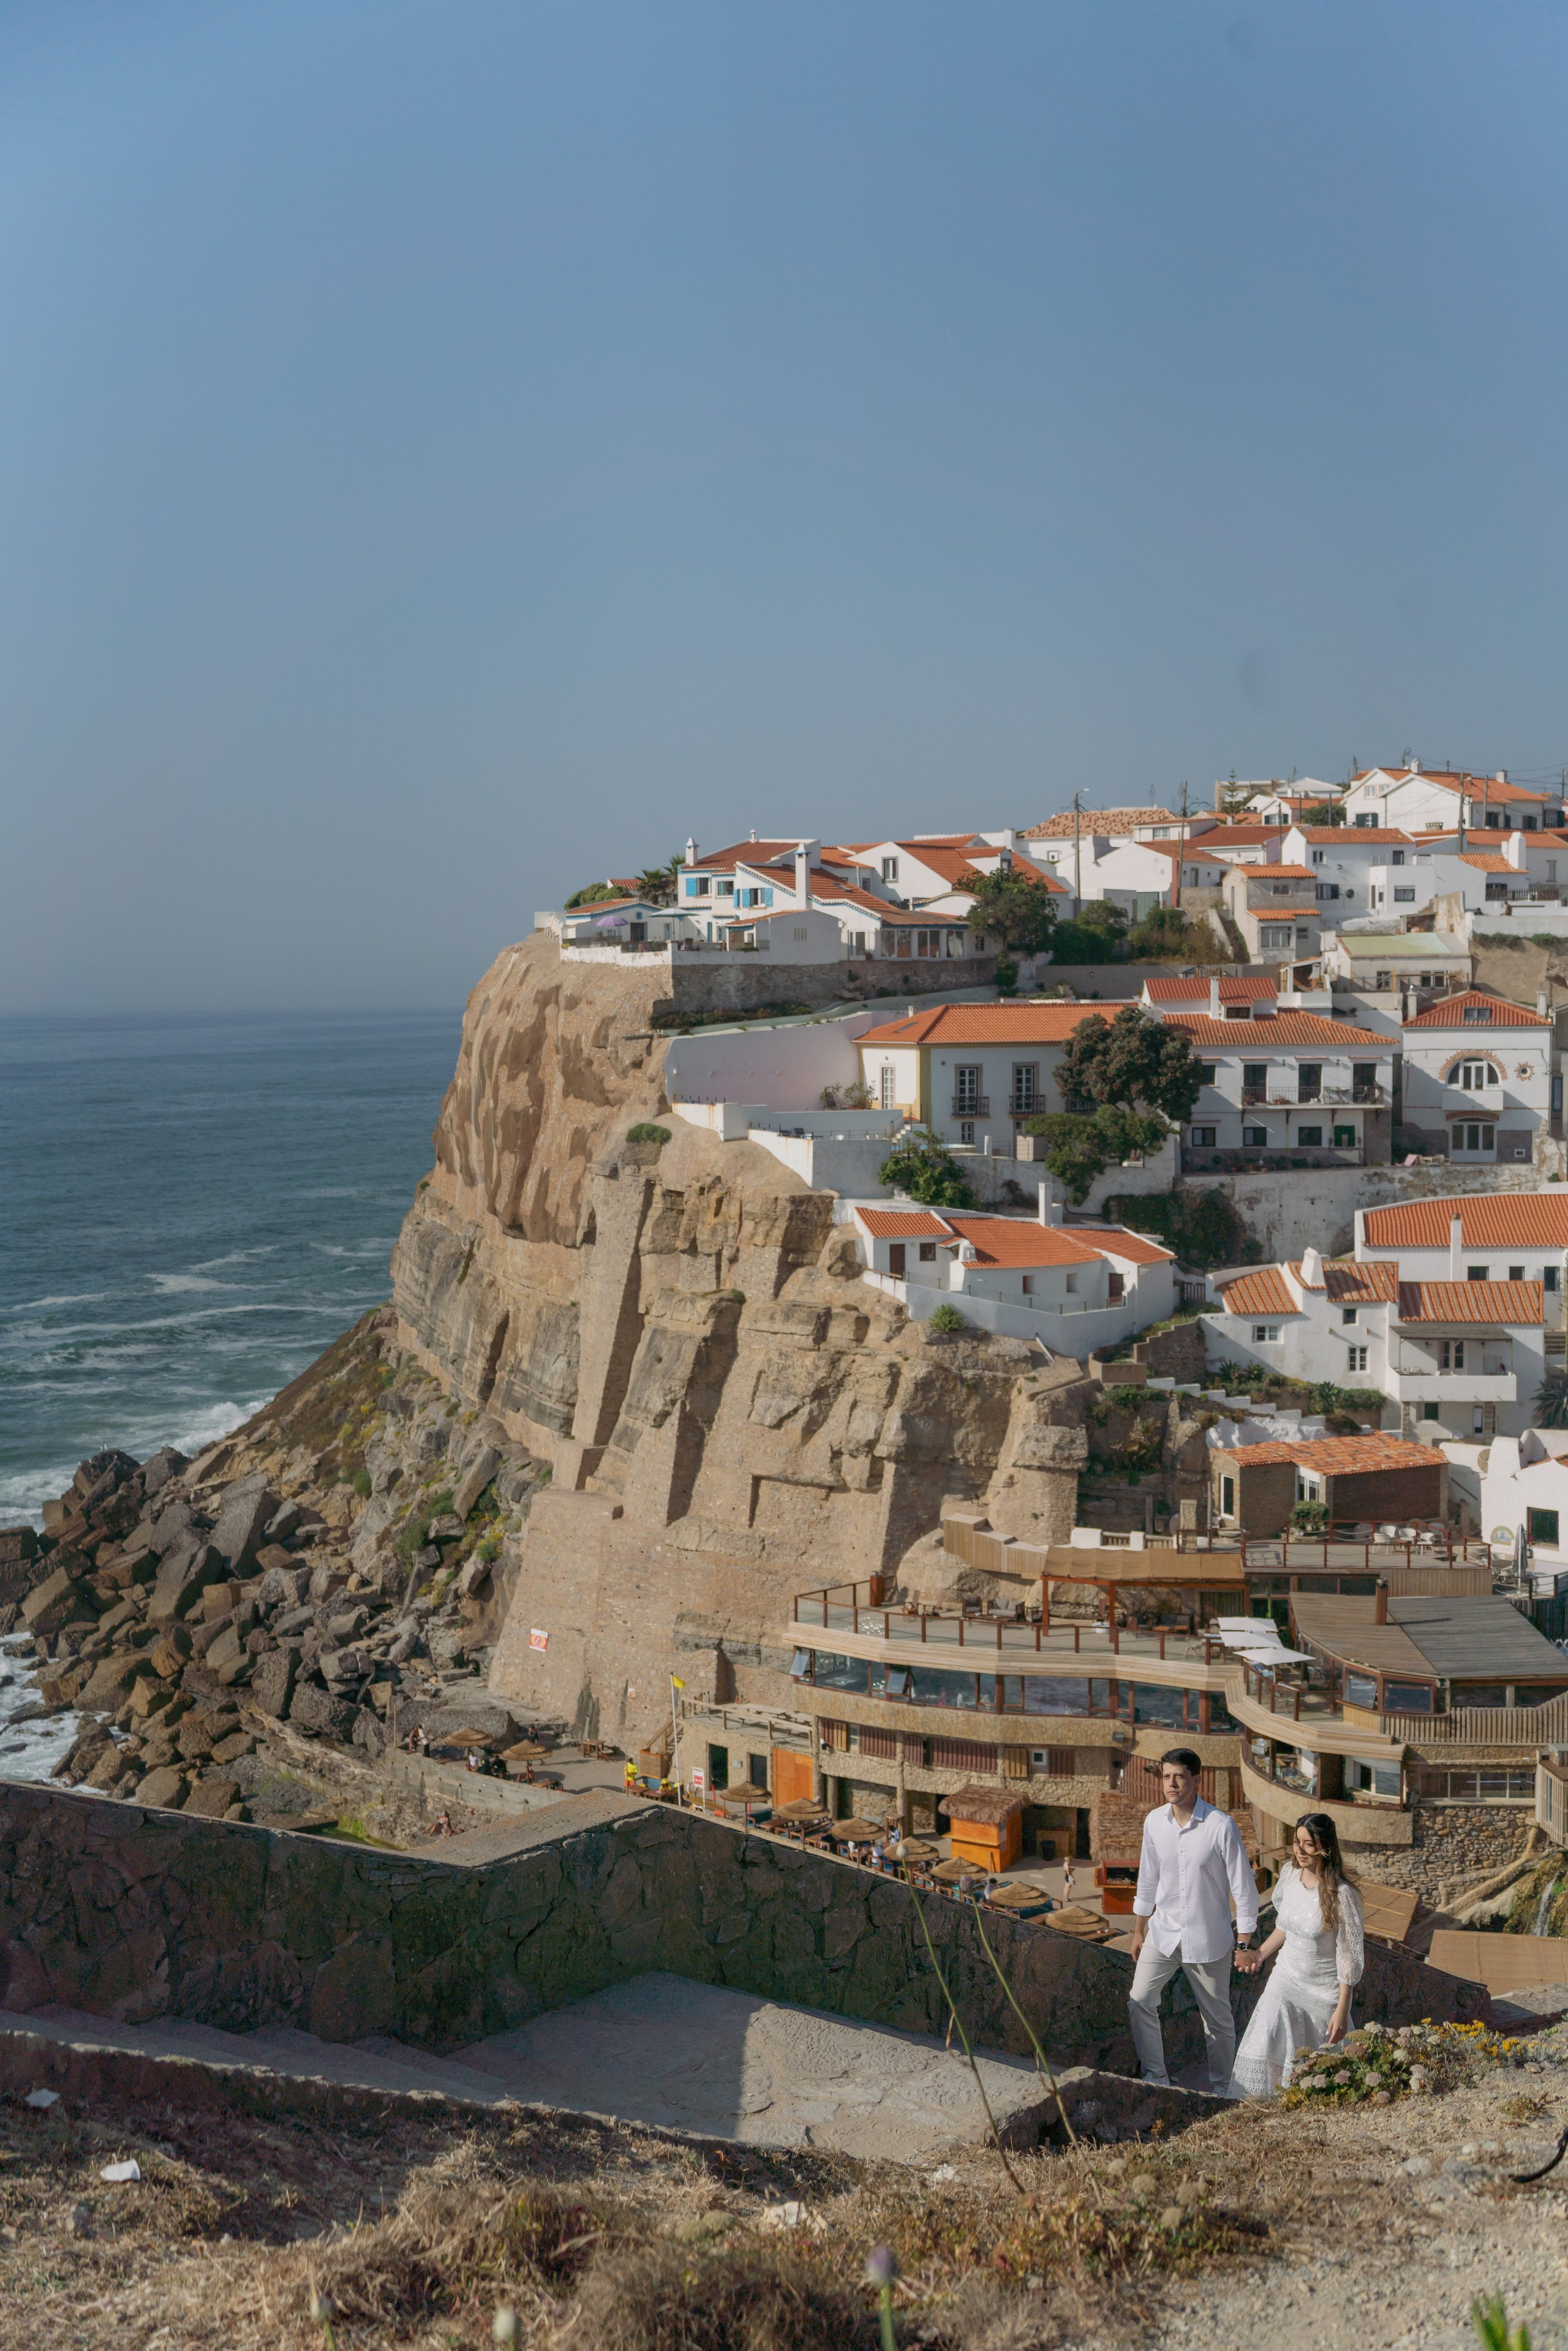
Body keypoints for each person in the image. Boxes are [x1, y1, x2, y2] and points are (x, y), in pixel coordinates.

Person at [1128, 1748, 1258, 2094]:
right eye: (1167, 1776)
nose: (1172, 1783)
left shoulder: (1221, 1826)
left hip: (1208, 1939)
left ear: (1196, 1780)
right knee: (1139, 2000)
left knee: (1217, 2022)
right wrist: (1139, 1930)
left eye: (1180, 1776)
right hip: (1163, 1932)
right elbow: (1147, 1879)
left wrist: (1244, 1944)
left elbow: (1244, 1890)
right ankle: (1156, 2078)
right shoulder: (1154, 1822)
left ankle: (1221, 2090)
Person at [1229, 1813, 1365, 2097]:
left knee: (1316, 2071)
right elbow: (1286, 1926)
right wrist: (1259, 1954)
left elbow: (1348, 1957)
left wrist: (1343, 2008)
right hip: (1285, 1977)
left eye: (1308, 1844)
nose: (1300, 1851)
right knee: (1262, 2044)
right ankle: (1256, 2107)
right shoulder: (1290, 1876)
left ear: (1325, 1847)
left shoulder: (1342, 1895)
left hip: (1324, 1995)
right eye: (1296, 1843)